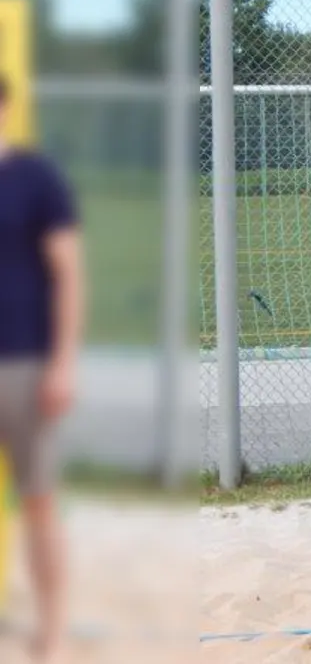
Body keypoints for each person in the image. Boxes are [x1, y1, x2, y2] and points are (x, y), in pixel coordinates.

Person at [0, 73, 83, 664]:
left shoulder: (35, 179)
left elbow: (69, 273)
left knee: (38, 501)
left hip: (23, 363)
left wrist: (63, 363)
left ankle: (51, 631)